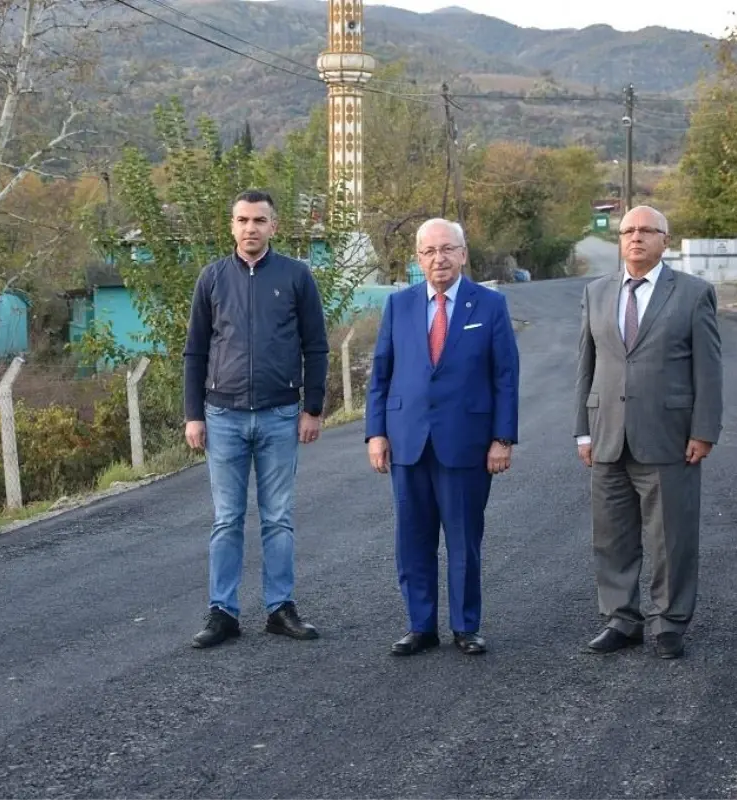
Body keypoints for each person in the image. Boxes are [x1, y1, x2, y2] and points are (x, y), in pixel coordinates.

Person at [573, 205, 723, 660]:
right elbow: (587, 366)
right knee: (611, 535)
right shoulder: (596, 292)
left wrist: (704, 430)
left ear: (665, 240)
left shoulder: (694, 294)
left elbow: (709, 370)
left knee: (670, 535)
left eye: (646, 231)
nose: (635, 238)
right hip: (606, 435)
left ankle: (669, 621)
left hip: (669, 435)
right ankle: (621, 618)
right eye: (628, 231)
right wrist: (583, 431)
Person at [365, 218, 520, 657]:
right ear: (418, 259)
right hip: (407, 440)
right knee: (411, 539)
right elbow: (381, 374)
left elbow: (505, 376)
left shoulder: (489, 305)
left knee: (464, 540)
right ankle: (421, 626)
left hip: (466, 441)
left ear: (463, 253)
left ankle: (466, 626)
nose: (439, 259)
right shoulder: (400, 306)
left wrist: (502, 438)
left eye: (448, 249)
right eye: (430, 252)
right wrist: (375, 433)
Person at [182, 189, 330, 649]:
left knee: (278, 518)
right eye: (243, 220)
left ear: (274, 226)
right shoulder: (212, 279)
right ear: (231, 225)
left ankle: (280, 608)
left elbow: (316, 345)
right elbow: (195, 351)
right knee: (227, 519)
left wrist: (313, 408)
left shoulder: (297, 276)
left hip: (280, 415)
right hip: (222, 415)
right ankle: (222, 611)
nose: (251, 228)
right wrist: (193, 415)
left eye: (259, 220)